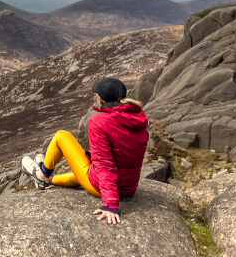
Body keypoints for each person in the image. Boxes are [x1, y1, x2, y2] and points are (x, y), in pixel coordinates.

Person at [21, 76, 149, 225]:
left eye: (97, 96)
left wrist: (111, 203)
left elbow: (104, 164)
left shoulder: (99, 121)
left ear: (100, 99)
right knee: (80, 175)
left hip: (102, 188)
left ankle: (42, 172)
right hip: (129, 188)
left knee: (62, 136)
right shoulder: (139, 120)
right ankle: (49, 180)